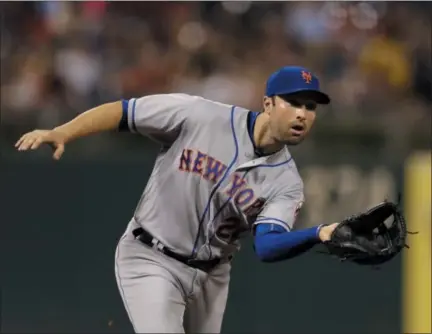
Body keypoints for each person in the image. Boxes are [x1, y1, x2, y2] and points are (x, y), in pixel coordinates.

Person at [15, 66, 340, 333]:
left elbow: (267, 246)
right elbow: (124, 112)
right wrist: (64, 132)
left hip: (212, 277)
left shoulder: (286, 181)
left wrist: (320, 233)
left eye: (310, 107)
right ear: (268, 103)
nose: (302, 114)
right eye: (293, 103)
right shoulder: (200, 114)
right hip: (151, 257)